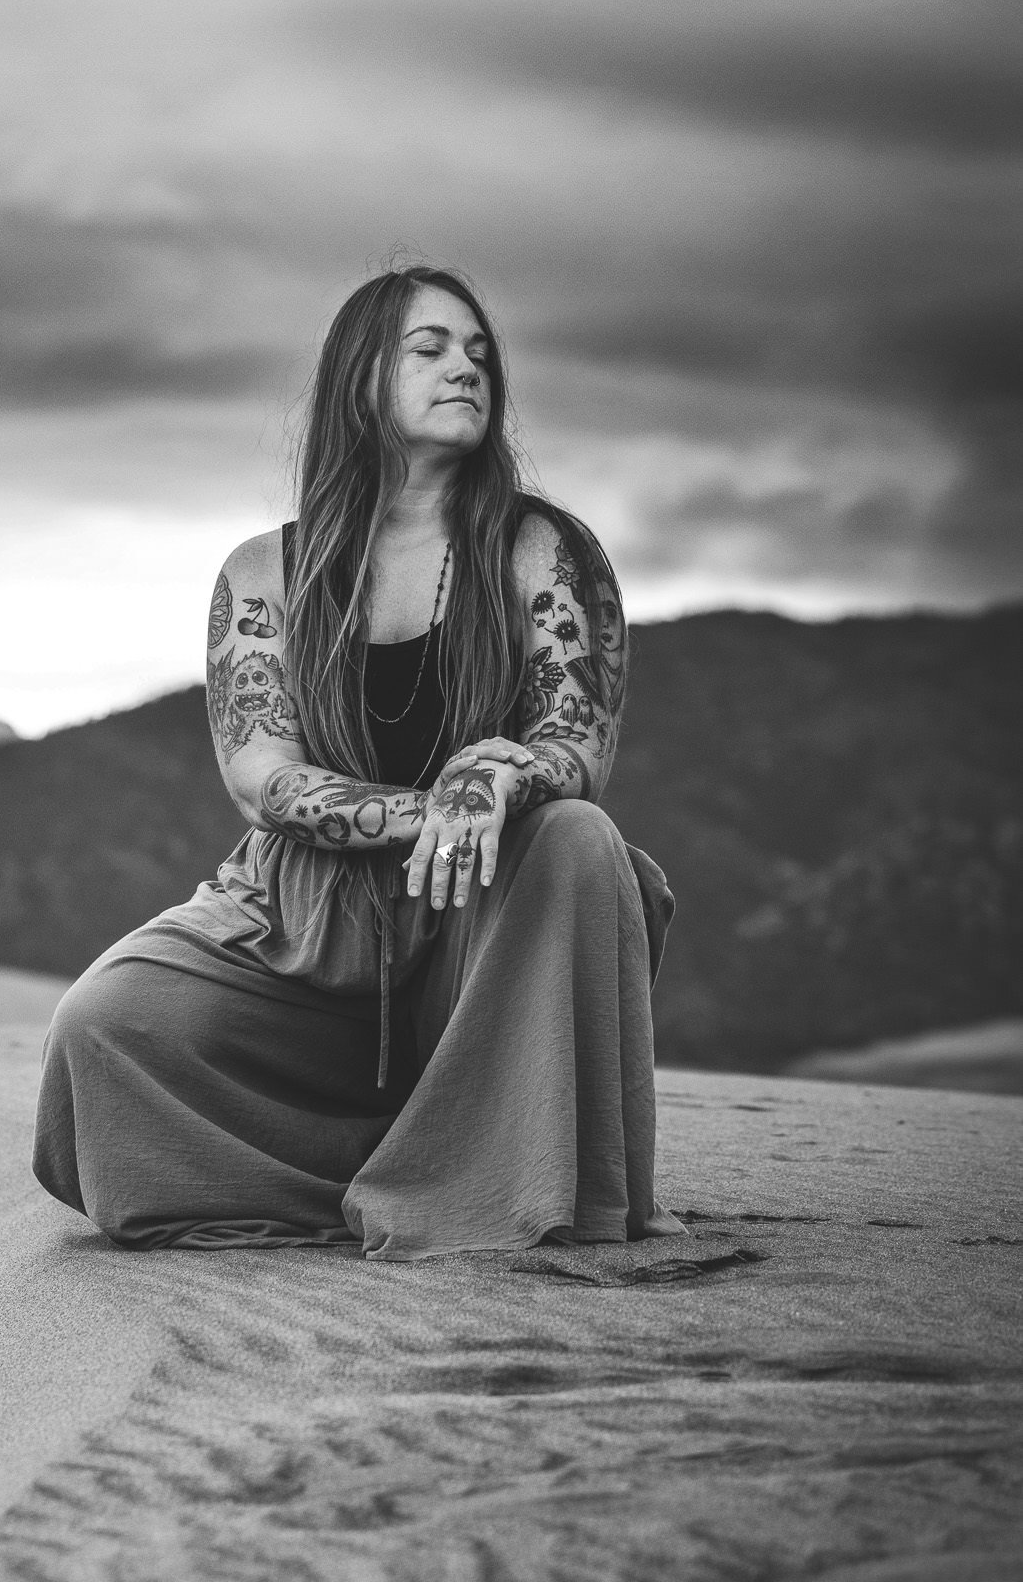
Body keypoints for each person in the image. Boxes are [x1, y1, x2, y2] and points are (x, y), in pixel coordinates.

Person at [33, 264, 682, 1256]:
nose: (464, 368)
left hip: (489, 907)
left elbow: (575, 743)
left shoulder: (541, 549)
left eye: (477, 353)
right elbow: (261, 773)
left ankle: (499, 1180)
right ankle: (399, 1176)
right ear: (359, 383)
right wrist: (429, 811)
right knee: (100, 1026)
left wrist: (495, 776)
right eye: (429, 349)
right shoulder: (264, 573)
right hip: (311, 912)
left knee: (577, 838)